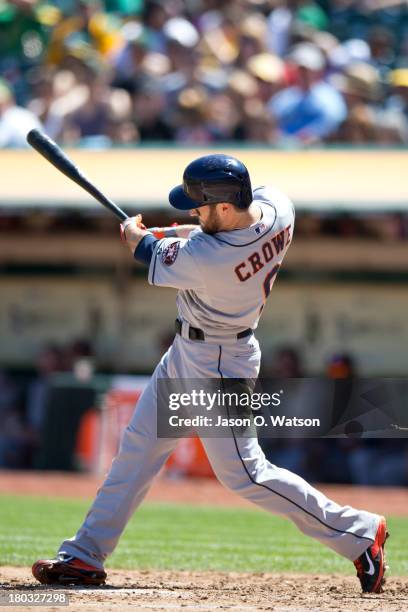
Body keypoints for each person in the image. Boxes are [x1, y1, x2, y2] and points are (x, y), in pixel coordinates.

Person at [32, 154, 388, 594]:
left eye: (199, 205)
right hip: (190, 351)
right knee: (138, 449)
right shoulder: (278, 209)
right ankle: (85, 556)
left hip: (220, 364)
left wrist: (138, 235)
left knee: (246, 473)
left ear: (224, 206)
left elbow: (148, 252)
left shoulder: (208, 258)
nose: (192, 212)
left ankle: (359, 533)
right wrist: (169, 233)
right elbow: (199, 238)